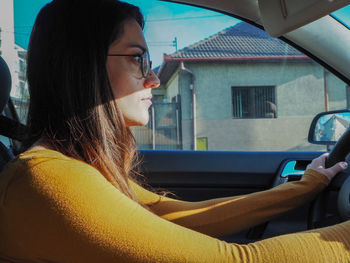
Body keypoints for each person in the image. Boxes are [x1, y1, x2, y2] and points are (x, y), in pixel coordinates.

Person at [0, 0, 350, 262]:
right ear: (83, 67)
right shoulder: (46, 180)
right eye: (138, 59)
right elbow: (238, 260)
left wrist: (307, 186)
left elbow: (179, 215)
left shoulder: (73, 167)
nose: (152, 79)